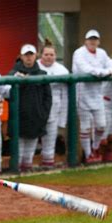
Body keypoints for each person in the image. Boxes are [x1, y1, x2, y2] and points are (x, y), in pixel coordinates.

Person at [72, 29, 112, 164]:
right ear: (85, 41)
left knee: (101, 125)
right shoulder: (79, 53)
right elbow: (86, 69)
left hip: (97, 93)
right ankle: (88, 154)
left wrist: (110, 70)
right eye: (90, 39)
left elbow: (111, 64)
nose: (92, 41)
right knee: (85, 127)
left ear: (98, 41)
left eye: (95, 39)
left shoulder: (101, 53)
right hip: (82, 92)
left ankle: (95, 147)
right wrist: (103, 73)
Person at [9, 44, 52, 172]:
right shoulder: (13, 73)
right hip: (19, 119)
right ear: (21, 56)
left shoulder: (42, 74)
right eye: (26, 55)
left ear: (35, 56)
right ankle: (16, 173)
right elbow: (7, 95)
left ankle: (27, 173)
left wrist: (43, 115)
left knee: (29, 153)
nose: (29, 58)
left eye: (31, 55)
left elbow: (47, 98)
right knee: (18, 151)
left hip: (36, 118)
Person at [37, 39, 69, 169]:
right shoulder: (36, 66)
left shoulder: (62, 70)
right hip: (37, 106)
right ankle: (26, 165)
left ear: (55, 56)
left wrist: (63, 118)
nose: (49, 57)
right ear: (41, 55)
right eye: (46, 54)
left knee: (50, 136)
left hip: (55, 106)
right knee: (33, 137)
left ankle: (48, 162)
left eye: (52, 55)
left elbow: (66, 95)